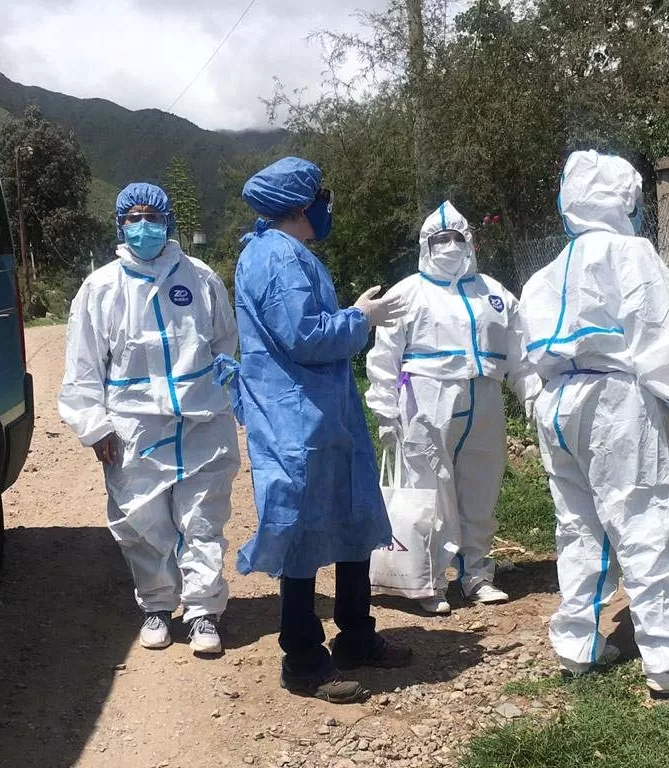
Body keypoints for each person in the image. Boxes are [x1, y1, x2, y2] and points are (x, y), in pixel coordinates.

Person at [518, 151, 669, 692]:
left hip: (556, 401)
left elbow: (527, 357)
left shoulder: (545, 274)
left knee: (579, 525)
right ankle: (668, 660)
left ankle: (576, 645)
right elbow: (657, 336)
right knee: (643, 518)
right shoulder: (630, 253)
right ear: (625, 199)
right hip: (613, 397)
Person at [233, 156, 413, 704]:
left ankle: (356, 636)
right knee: (303, 534)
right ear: (300, 203)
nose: (327, 206)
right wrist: (362, 316)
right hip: (296, 420)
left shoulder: (281, 253)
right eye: (322, 197)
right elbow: (306, 336)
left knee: (352, 518)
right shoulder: (278, 259)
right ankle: (304, 660)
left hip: (319, 414)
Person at [58, 182, 240, 656]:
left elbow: (225, 338)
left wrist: (222, 375)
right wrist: (95, 426)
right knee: (140, 522)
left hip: (201, 420)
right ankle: (158, 605)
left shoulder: (200, 278)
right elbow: (82, 367)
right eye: (134, 219)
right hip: (133, 427)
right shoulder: (100, 287)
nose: (143, 227)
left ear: (168, 222)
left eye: (152, 218)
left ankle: (203, 612)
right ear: (120, 224)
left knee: (203, 518)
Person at [365, 201, 540, 614]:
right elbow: (385, 356)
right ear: (426, 246)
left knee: (481, 485)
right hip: (427, 399)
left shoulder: (494, 294)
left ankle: (476, 572)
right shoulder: (407, 293)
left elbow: (521, 351)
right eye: (440, 239)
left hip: (485, 396)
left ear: (470, 242)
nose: (449, 245)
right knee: (431, 489)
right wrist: (385, 409)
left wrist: (530, 392)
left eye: (457, 237)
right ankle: (429, 580)